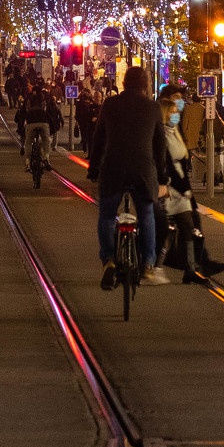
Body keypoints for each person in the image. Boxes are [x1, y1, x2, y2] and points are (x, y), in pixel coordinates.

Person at [86, 66, 169, 290]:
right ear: (145, 84)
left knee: (106, 215)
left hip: (114, 169)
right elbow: (160, 145)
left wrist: (93, 168)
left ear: (123, 83)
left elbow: (99, 139)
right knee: (146, 213)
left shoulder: (111, 105)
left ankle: (109, 260)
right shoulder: (152, 108)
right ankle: (149, 263)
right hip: (143, 170)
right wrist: (162, 176)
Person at [155, 89, 224, 283]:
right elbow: (167, 162)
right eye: (177, 101)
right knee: (170, 229)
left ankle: (191, 267)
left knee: (188, 225)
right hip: (170, 187)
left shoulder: (175, 129)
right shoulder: (161, 132)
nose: (180, 106)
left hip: (180, 188)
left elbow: (180, 159)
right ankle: (156, 265)